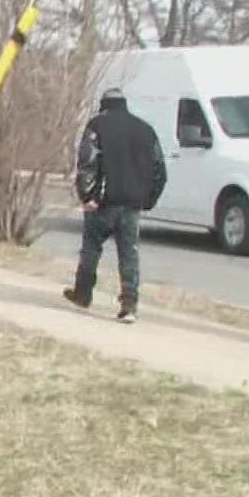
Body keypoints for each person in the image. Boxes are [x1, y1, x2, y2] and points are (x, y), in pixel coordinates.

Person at [65, 88, 167, 323]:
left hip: (103, 202)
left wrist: (86, 195)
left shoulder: (97, 126)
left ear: (104, 104)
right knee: (129, 253)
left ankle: (82, 293)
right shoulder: (145, 130)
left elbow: (87, 162)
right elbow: (159, 171)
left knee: (91, 248)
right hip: (132, 204)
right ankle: (129, 304)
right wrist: (148, 200)